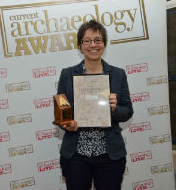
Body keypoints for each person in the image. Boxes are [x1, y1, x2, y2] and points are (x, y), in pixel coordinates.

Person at [57, 20, 133, 190]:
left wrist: (114, 109)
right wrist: (66, 124)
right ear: (80, 45)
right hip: (76, 155)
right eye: (87, 40)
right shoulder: (67, 74)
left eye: (98, 40)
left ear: (104, 44)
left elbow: (127, 111)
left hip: (110, 156)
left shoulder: (118, 74)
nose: (93, 45)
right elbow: (62, 112)